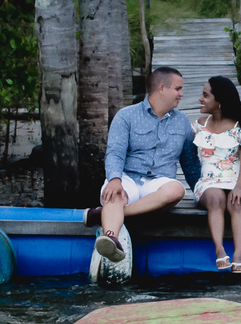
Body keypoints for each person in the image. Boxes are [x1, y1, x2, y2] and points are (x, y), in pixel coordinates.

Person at [84, 66, 201, 262]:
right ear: (162, 88)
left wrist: (201, 192)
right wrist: (114, 179)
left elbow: (190, 163)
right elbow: (115, 152)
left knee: (176, 190)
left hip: (158, 183)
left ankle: (105, 213)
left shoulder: (182, 122)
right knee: (114, 193)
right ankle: (111, 238)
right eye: (178, 89)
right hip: (127, 176)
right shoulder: (126, 116)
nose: (182, 94)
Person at [192, 75, 241, 274]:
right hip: (208, 182)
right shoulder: (199, 125)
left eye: (205, 95)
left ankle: (238, 254)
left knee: (236, 202)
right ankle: (220, 249)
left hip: (238, 180)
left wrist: (238, 187)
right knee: (215, 198)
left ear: (219, 102)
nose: (200, 99)